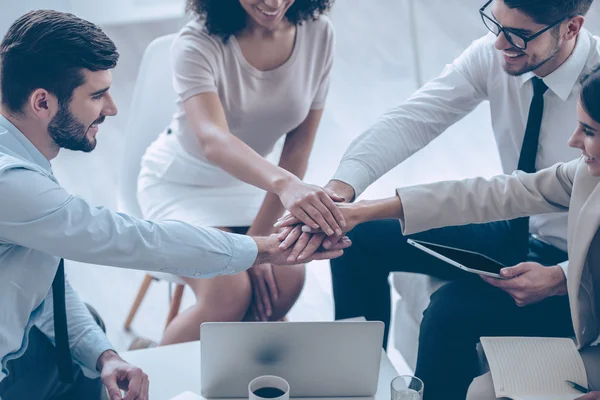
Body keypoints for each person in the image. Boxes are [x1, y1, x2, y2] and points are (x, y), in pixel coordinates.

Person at [0, 10, 349, 400]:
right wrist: (262, 249)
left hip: (32, 345)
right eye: (97, 95)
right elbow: (133, 241)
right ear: (42, 103)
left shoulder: (22, 158)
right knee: (225, 293)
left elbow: (43, 283)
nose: (112, 109)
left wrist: (105, 355)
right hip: (11, 373)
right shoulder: (11, 183)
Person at [279, 0, 600, 398]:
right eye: (496, 23)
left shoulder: (596, 98)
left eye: (519, 34)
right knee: (359, 239)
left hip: (582, 262)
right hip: (516, 226)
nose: (500, 42)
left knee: (450, 311)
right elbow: (415, 119)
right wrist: (341, 194)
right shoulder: (496, 49)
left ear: (571, 28)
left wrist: (563, 277)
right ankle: (353, 387)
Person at [136, 0, 343, 345]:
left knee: (286, 280)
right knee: (227, 293)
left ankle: (229, 380)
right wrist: (284, 187)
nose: (273, 3)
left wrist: (258, 245)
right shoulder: (197, 43)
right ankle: (158, 372)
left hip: (253, 182)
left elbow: (298, 149)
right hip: (182, 183)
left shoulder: (319, 34)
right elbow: (214, 140)